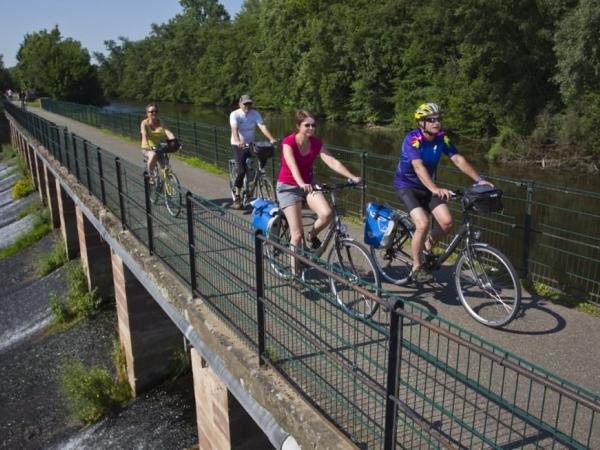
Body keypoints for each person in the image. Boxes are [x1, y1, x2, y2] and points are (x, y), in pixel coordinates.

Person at [394, 102, 494, 282]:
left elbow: (457, 159)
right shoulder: (412, 139)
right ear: (422, 123)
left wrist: (479, 180)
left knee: (447, 222)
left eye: (439, 119)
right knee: (423, 224)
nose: (436, 122)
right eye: (431, 119)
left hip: (428, 186)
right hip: (407, 186)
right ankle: (417, 267)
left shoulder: (442, 138)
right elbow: (418, 166)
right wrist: (435, 188)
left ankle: (425, 247)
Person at [277, 110, 361, 274]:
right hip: (288, 187)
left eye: (313, 125)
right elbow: (292, 165)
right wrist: (300, 182)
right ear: (298, 126)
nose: (311, 128)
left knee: (327, 213)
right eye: (306, 125)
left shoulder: (316, 143)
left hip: (308, 185)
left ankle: (312, 235)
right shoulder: (289, 143)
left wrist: (352, 177)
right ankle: (295, 275)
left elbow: (332, 161)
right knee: (296, 234)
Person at [229, 94, 277, 209]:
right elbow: (234, 129)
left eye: (249, 104)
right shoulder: (235, 114)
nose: (247, 106)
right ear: (240, 104)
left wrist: (271, 139)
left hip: (250, 144)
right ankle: (237, 197)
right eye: (245, 104)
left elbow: (262, 126)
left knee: (263, 154)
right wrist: (238, 141)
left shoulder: (255, 114)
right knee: (241, 171)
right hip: (238, 145)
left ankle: (258, 178)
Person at [140, 103, 176, 175]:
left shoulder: (161, 122)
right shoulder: (144, 123)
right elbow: (144, 134)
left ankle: (167, 181)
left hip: (159, 147)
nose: (154, 113)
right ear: (147, 113)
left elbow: (168, 133)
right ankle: (150, 176)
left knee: (166, 167)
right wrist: (147, 145)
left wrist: (175, 142)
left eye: (156, 111)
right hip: (148, 147)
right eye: (151, 112)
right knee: (153, 155)